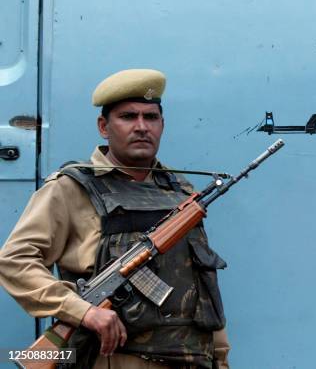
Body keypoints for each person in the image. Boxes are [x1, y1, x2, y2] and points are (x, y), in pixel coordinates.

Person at [0, 69, 230, 368]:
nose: (141, 127)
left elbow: (203, 284)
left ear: (162, 125)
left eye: (151, 117)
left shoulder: (181, 191)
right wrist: (83, 311)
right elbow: (15, 261)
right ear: (103, 127)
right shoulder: (71, 188)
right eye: (128, 117)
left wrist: (220, 358)